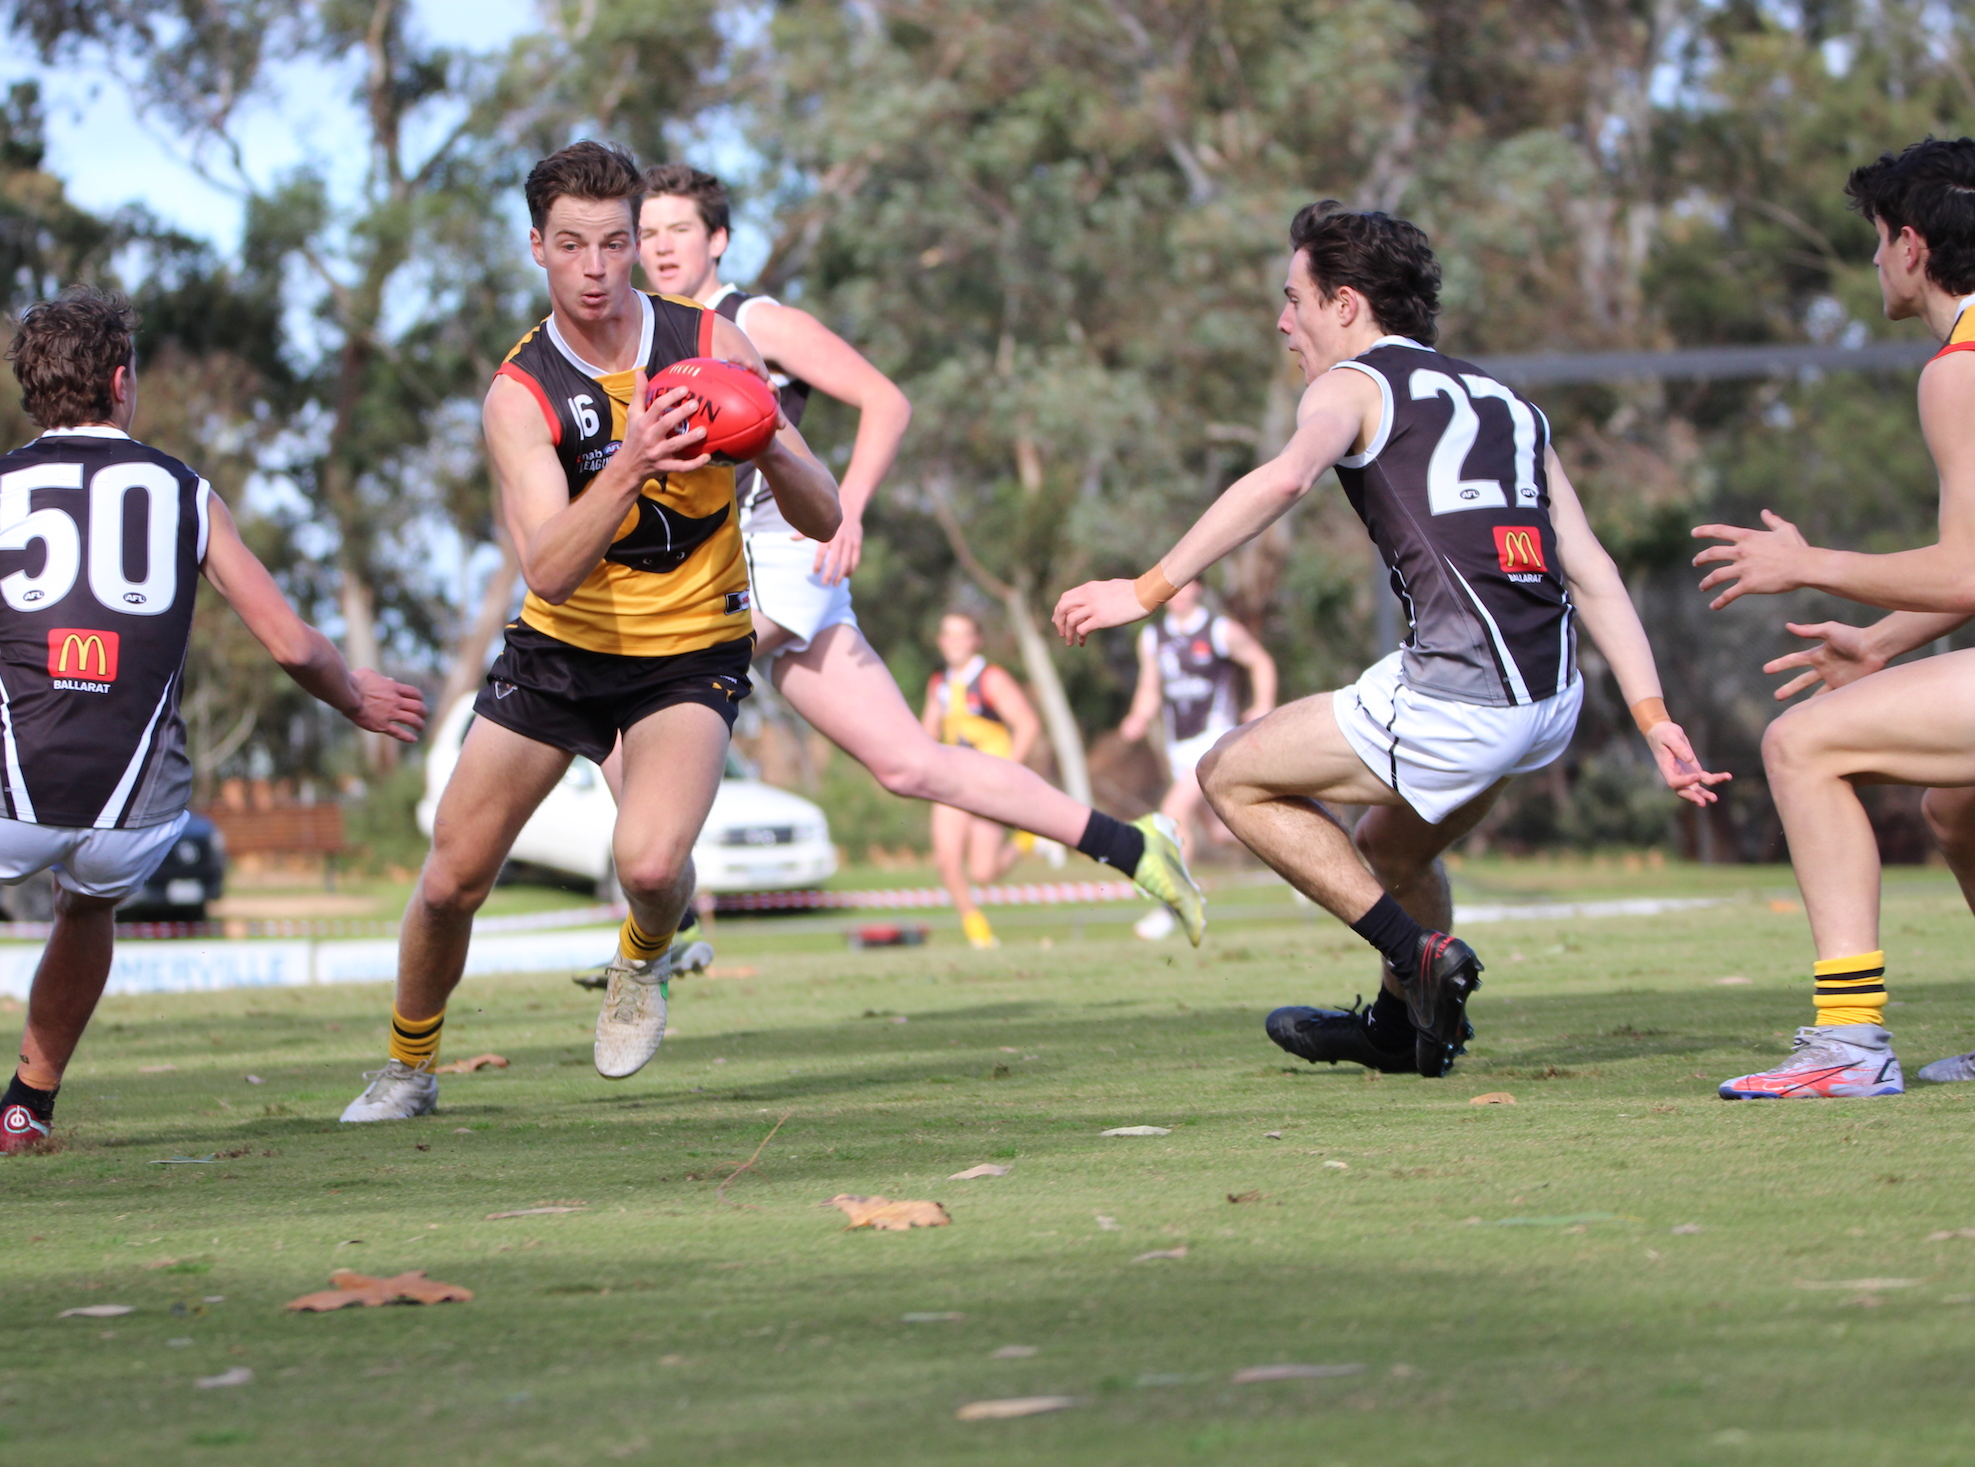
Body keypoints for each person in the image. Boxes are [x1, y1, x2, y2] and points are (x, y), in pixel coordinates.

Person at [1054, 201, 1726, 1078]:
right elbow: (1590, 567)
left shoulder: (1350, 384)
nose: (1283, 320)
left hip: (1463, 698)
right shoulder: (1510, 404)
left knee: (1229, 775)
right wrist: (1653, 716)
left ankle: (1419, 957)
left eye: (1294, 298)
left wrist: (1144, 589)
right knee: (1393, 848)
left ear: (1346, 303)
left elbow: (1286, 477)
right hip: (1552, 701)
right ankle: (1411, 1032)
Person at [0, 287, 425, 1165]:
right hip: (141, 807)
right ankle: (27, 1106)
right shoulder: (184, 490)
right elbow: (292, 643)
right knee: (93, 897)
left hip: (10, 788)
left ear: (33, 393)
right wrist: (356, 699)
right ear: (120, 381)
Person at [339, 142, 843, 1122]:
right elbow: (547, 567)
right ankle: (408, 1064)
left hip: (692, 643)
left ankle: (640, 959)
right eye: (573, 245)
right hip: (560, 652)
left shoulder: (712, 342)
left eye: (615, 243)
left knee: (650, 865)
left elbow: (823, 519)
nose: (597, 268)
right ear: (538, 248)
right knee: (450, 879)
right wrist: (632, 460)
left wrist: (773, 437)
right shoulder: (519, 394)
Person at [634, 162, 1207, 943]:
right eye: (647, 233)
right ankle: (1133, 842)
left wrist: (850, 511)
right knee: (910, 765)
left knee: (653, 683)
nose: (661, 247)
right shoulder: (649, 336)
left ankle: (663, 935)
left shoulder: (755, 319)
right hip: (726, 566)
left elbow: (886, 399)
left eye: (679, 230)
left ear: (719, 240)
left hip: (789, 555)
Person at [1693, 136, 1975, 1098]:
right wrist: (1888, 640)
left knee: (1801, 745)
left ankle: (1849, 1046)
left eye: (1874, 240)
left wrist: (1807, 564)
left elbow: (1967, 570)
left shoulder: (1960, 366)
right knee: (1957, 802)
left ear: (1911, 245)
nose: (1871, 264)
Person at [1117, 581, 1277, 938]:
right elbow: (1149, 687)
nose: (1177, 594)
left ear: (1199, 589)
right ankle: (1301, 858)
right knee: (1221, 832)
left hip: (1213, 740)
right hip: (1179, 746)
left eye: (1185, 586)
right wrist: (1138, 718)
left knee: (1172, 815)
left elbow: (1260, 661)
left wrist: (1263, 701)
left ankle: (1173, 906)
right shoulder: (1152, 638)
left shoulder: (1219, 630)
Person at [920, 611, 1046, 947]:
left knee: (983, 872)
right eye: (948, 634)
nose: (954, 642)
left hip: (990, 780)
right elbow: (928, 732)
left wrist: (1009, 772)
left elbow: (1027, 725)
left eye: (962, 635)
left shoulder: (991, 678)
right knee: (946, 858)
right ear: (940, 642)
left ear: (977, 641)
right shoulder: (939, 684)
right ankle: (977, 930)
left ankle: (1025, 842)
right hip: (954, 780)